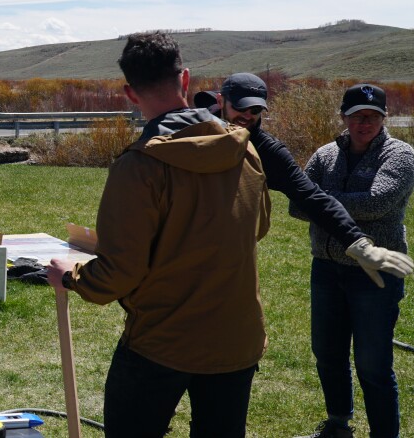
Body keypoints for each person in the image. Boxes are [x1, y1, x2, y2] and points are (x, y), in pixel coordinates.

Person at [46, 32, 271, 438]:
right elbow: (259, 226)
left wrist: (71, 276)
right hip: (236, 337)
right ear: (185, 79)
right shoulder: (245, 150)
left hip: (163, 340)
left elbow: (121, 272)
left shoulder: (139, 166)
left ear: (130, 93)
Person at [290, 84, 414, 438]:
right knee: (327, 354)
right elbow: (297, 205)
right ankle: (338, 425)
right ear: (344, 117)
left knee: (373, 364)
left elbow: (377, 203)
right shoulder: (325, 154)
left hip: (375, 272)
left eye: (374, 116)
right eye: (358, 116)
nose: (365, 123)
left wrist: (320, 200)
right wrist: (331, 201)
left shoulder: (400, 155)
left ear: (384, 118)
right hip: (326, 268)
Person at [213, 74, 412, 285]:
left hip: (229, 251)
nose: (247, 115)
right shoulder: (193, 126)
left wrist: (357, 242)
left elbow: (310, 197)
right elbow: (299, 208)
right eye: (240, 107)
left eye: (255, 110)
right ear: (220, 101)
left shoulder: (267, 151)